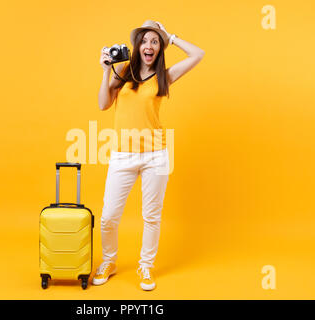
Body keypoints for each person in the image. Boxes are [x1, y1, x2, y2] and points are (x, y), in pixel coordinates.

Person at [94, 20, 205, 291]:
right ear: (137, 45)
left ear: (159, 48)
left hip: (155, 155)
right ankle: (109, 261)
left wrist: (171, 36)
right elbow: (102, 104)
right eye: (145, 40)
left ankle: (145, 266)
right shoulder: (124, 72)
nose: (149, 45)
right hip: (123, 155)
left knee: (151, 216)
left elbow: (198, 54)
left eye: (155, 41)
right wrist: (106, 72)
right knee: (109, 216)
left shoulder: (164, 76)